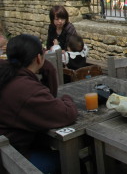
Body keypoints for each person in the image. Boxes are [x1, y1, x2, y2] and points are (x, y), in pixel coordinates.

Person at [0, 34, 78, 173]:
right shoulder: (26, 90)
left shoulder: (7, 73)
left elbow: (47, 101)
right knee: (73, 162)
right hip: (12, 161)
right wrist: (67, 98)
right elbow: (66, 114)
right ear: (38, 57)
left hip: (10, 147)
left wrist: (46, 68)